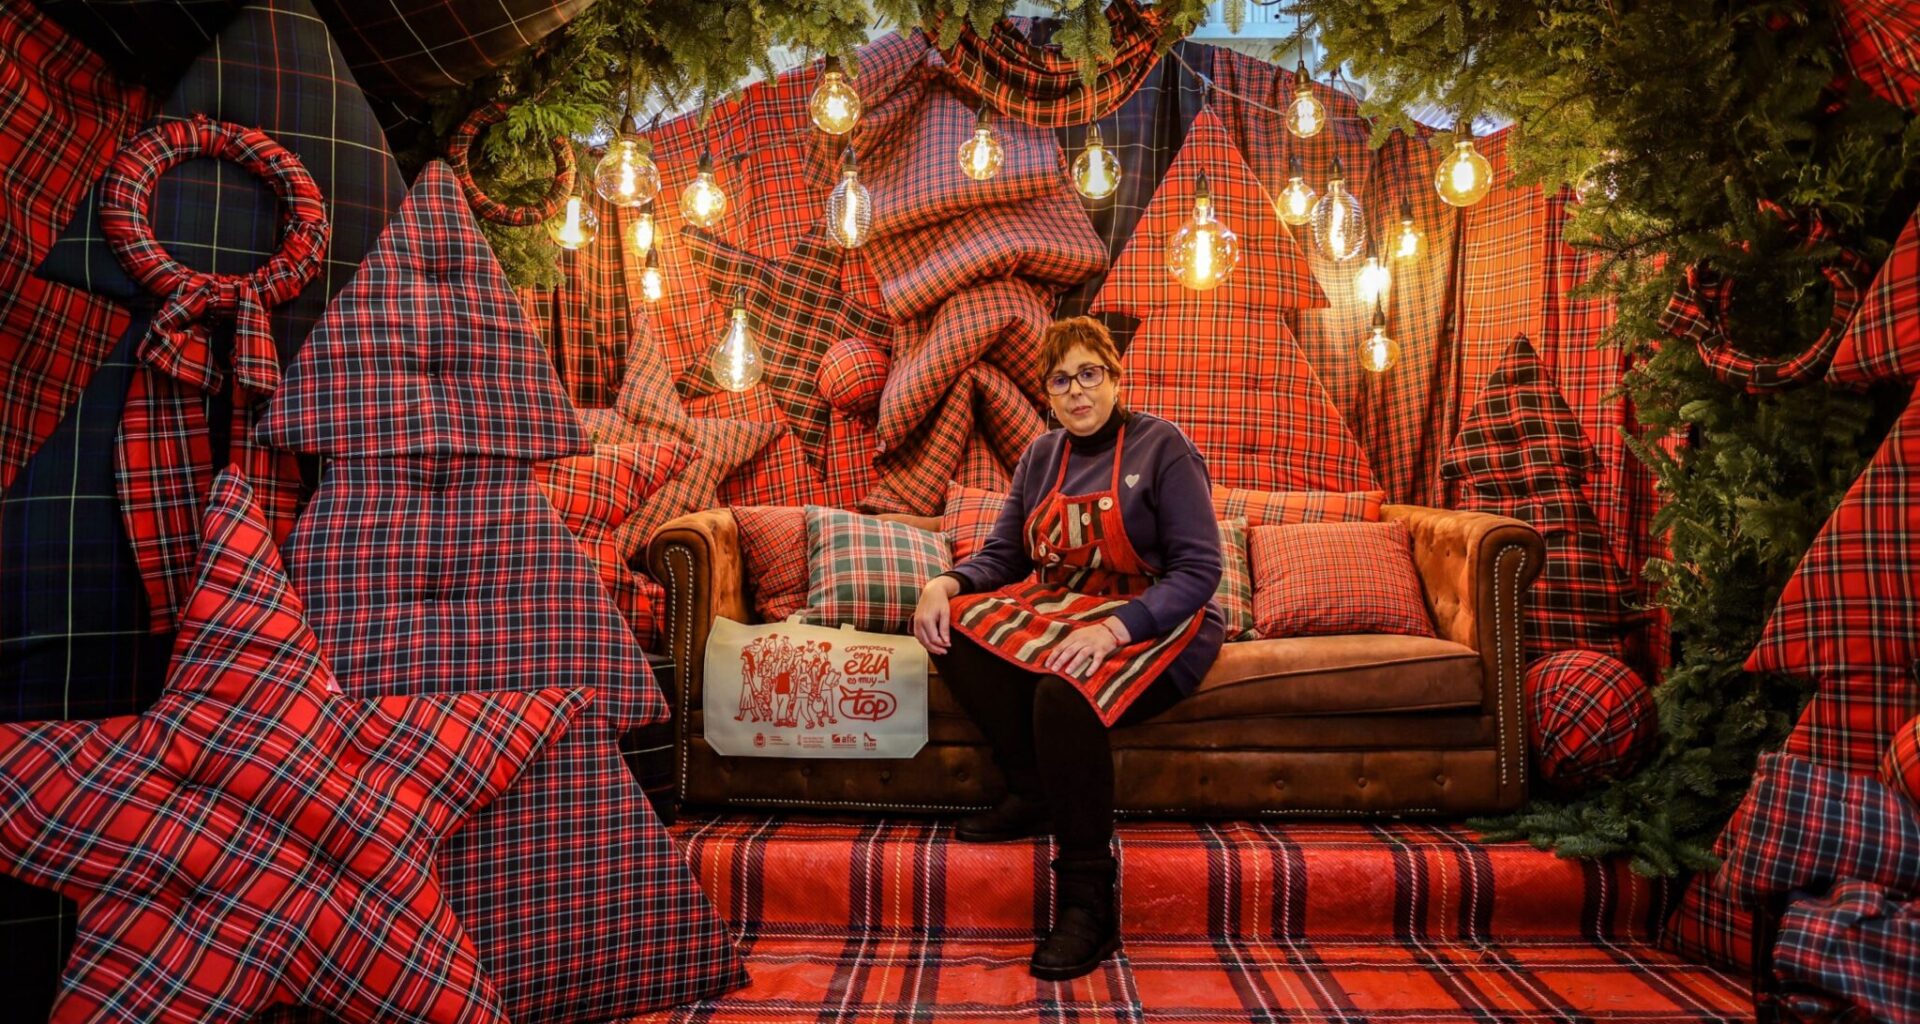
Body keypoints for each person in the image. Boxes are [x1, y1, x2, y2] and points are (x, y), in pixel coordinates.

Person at [911, 316, 1224, 980]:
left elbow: (1198, 571)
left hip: (1155, 613)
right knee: (953, 632)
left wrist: (1115, 629)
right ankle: (1031, 791)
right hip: (1067, 606)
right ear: (1047, 394)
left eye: (1090, 373)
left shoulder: (1162, 446)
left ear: (1115, 376)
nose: (1077, 391)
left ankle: (1090, 899)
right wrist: (944, 582)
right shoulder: (1040, 456)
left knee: (1064, 691)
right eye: (1061, 379)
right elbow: (1003, 556)